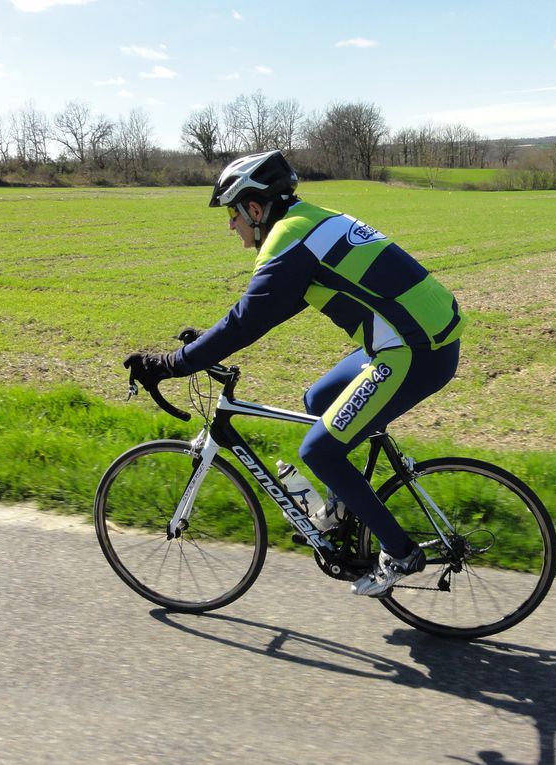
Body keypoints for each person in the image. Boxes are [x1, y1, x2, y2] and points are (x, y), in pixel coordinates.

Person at [124, 150, 467, 597]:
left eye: (233, 214)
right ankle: (345, 507)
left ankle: (399, 551)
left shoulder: (288, 238)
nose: (231, 226)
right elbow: (273, 308)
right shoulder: (308, 222)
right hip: (418, 339)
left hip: (415, 351)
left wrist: (172, 363)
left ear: (254, 207)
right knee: (318, 401)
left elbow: (249, 319)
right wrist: (205, 342)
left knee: (320, 451)